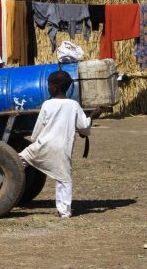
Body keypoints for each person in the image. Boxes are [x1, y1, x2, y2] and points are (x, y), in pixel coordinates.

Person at [19, 70, 102, 218]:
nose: (48, 87)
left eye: (49, 85)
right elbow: (83, 126)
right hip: (62, 147)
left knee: (18, 162)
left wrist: (35, 139)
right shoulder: (73, 105)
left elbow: (39, 128)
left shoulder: (47, 104)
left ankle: (2, 189)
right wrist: (92, 116)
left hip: (43, 145)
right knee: (63, 178)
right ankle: (64, 211)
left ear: (55, 87)